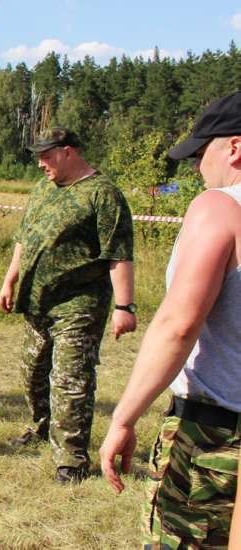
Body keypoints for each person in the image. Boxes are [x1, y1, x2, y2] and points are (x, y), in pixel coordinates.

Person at [100, 91, 241, 548]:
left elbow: (178, 325)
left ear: (234, 148)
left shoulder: (220, 207)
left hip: (216, 436)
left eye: (201, 153)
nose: (198, 168)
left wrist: (123, 418)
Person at [0, 127, 136, 484]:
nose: (41, 163)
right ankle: (42, 429)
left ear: (69, 152)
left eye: (46, 156)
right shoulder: (44, 187)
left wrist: (125, 306)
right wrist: (10, 279)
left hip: (80, 303)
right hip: (38, 302)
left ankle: (72, 459)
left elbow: (118, 255)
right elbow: (24, 238)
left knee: (71, 379)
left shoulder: (103, 194)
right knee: (33, 372)